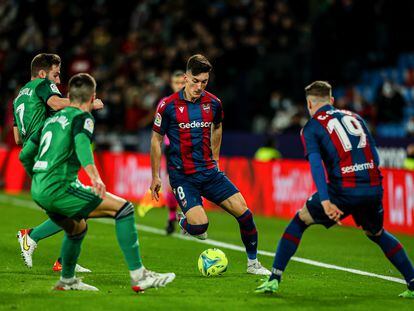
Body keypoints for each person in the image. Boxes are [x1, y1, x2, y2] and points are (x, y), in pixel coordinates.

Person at [255, 81, 414, 298]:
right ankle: (413, 281)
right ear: (331, 100)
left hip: (343, 190)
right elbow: (375, 155)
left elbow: (315, 164)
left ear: (310, 104)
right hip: (373, 186)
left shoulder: (311, 127)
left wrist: (326, 200)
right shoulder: (356, 117)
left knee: (300, 220)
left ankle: (274, 278)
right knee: (376, 233)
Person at [20, 73, 175, 291]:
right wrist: (94, 177)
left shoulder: (51, 120)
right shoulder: (83, 118)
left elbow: (25, 154)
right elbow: (83, 147)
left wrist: (36, 177)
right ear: (92, 96)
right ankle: (139, 276)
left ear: (69, 95)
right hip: (60, 187)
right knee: (124, 208)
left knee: (77, 228)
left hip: (39, 189)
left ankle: (67, 280)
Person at [150, 54, 270, 275]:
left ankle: (253, 264)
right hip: (183, 176)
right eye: (195, 81)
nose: (199, 86)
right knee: (200, 227)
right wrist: (156, 176)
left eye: (204, 81)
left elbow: (218, 127)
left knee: (245, 214)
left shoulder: (213, 103)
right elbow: (156, 139)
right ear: (185, 78)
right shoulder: (168, 106)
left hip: (209, 172)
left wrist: (215, 159)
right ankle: (185, 222)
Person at [14, 53, 103, 272]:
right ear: (43, 73)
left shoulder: (18, 97)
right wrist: (86, 103)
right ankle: (31, 237)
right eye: (56, 74)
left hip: (35, 154)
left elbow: (17, 138)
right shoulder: (42, 85)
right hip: (49, 152)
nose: (58, 81)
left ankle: (64, 261)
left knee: (73, 208)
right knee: (79, 205)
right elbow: (55, 103)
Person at [138, 70, 185, 234]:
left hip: (193, 149)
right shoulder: (166, 103)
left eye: (182, 83)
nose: (179, 86)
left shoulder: (194, 102)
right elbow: (158, 131)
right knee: (172, 184)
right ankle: (172, 216)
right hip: (172, 149)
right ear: (172, 84)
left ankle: (184, 216)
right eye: (176, 83)